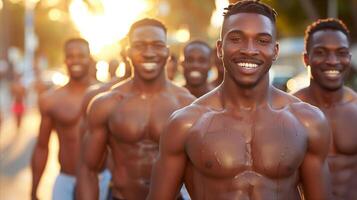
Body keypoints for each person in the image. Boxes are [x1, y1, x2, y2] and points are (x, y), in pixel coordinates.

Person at [148, 1, 332, 199]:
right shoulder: (186, 123)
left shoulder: (308, 122)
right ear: (219, 49)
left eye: (262, 40)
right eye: (236, 39)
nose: (249, 50)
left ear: (275, 51)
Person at [76, 18, 195, 200]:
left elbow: (201, 175)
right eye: (140, 45)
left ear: (167, 52)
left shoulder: (187, 105)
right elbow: (88, 169)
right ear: (128, 52)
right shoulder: (107, 104)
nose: (148, 53)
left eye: (157, 45)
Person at [294, 18, 357, 200]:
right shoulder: (289, 111)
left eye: (341, 53)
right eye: (321, 52)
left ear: (349, 59)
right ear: (306, 58)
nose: (332, 61)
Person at [31, 38, 97, 200]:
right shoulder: (51, 99)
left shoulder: (105, 95)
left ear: (89, 58)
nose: (75, 60)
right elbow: (41, 147)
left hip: (100, 179)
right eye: (70, 56)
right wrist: (33, 190)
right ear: (64, 60)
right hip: (66, 179)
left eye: (81, 56)